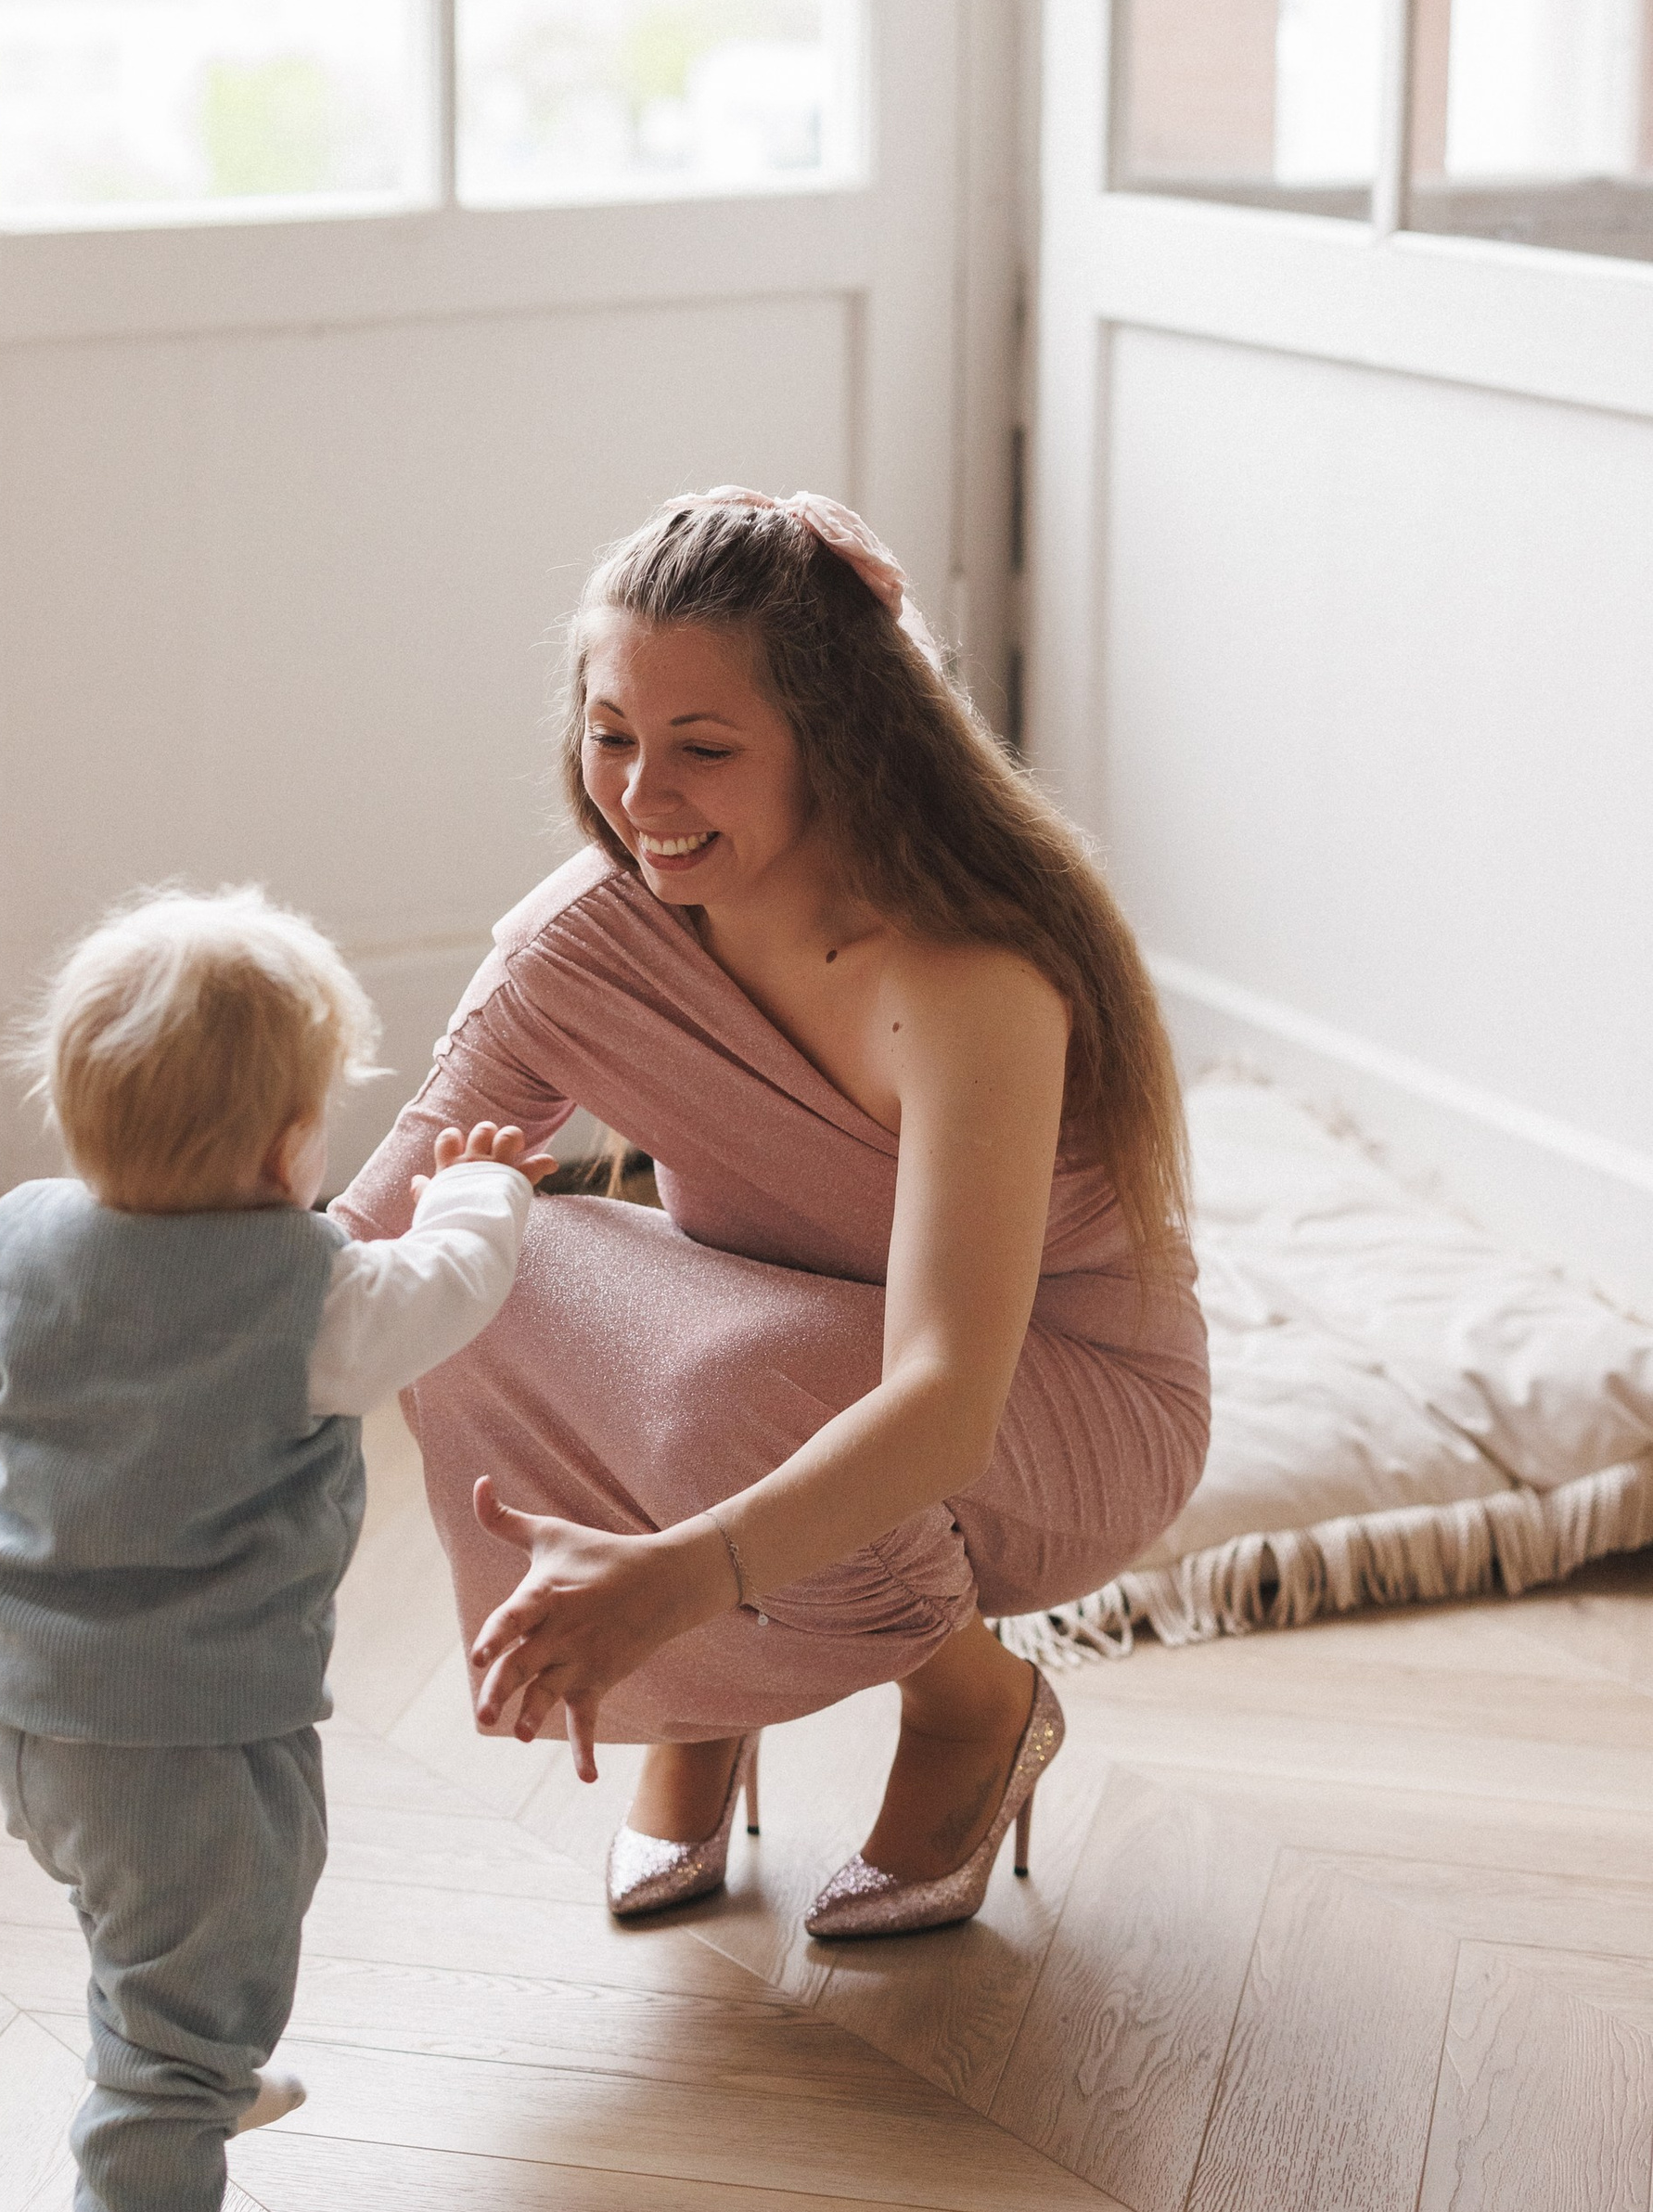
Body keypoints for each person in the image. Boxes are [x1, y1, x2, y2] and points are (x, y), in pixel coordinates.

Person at [332, 489, 1208, 1934]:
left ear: (840, 748)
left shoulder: (967, 980)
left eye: (706, 751)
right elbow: (372, 1238)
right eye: (613, 738)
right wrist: (125, 1293)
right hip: (783, 1347)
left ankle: (971, 1707)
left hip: (1064, 1416)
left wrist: (681, 1574)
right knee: (470, 1241)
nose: (642, 798)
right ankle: (703, 1706)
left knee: (751, 1380)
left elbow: (943, 1402)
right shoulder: (592, 934)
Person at [0, 886, 548, 2212]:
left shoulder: (12, 1242)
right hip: (193, 1722)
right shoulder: (310, 1301)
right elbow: (450, 1290)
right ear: (290, 1150)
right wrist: (485, 1195)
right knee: (208, 1944)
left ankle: (193, 2067)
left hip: (22, 1700)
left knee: (144, 1923)